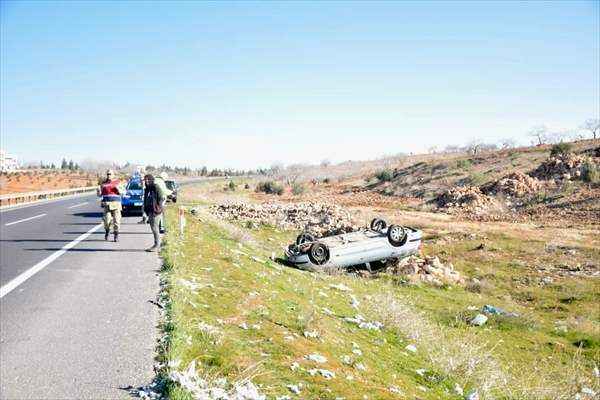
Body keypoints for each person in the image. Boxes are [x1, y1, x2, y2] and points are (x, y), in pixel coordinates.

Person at [98, 169, 125, 242]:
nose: (108, 175)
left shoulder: (118, 182)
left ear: (113, 175)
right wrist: (98, 192)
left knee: (117, 221)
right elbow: (100, 195)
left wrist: (119, 190)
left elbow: (123, 193)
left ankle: (116, 235)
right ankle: (107, 231)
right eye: (107, 174)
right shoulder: (103, 183)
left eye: (110, 174)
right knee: (107, 221)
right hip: (107, 204)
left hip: (116, 204)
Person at [143, 174, 167, 252]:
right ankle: (157, 244)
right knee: (153, 228)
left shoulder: (156, 187)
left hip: (156, 211)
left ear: (152, 180)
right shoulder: (147, 189)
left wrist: (158, 208)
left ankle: (157, 245)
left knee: (155, 228)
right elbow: (146, 200)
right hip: (149, 211)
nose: (146, 181)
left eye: (148, 180)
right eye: (145, 180)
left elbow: (161, 198)